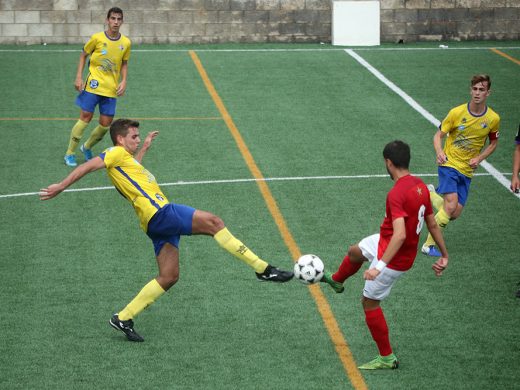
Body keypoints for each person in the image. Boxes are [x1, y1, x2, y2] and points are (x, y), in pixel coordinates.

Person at [42, 119, 294, 342]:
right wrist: (61, 186)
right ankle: (264, 269)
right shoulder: (114, 152)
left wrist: (144, 148)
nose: (137, 139)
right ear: (120, 139)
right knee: (214, 222)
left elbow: (134, 171)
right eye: (134, 136)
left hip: (154, 223)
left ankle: (123, 317)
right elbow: (88, 166)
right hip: (161, 213)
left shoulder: (125, 160)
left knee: (169, 276)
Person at [320, 140, 449, 370]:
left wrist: (378, 267)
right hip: (385, 240)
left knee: (369, 303)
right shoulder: (420, 185)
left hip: (394, 257)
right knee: (355, 251)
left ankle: (386, 357)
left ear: (388, 163)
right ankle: (337, 281)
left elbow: (400, 235)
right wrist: (445, 255)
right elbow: (432, 222)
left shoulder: (396, 194)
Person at [421, 74, 500, 256]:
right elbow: (437, 136)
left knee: (454, 212)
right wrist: (440, 152)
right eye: (475, 89)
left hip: (467, 170)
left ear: (488, 92)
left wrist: (479, 158)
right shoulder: (456, 113)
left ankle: (429, 194)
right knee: (450, 206)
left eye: (481, 90)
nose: (477, 93)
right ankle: (428, 245)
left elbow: (494, 143)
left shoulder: (493, 118)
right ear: (470, 90)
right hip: (449, 164)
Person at [64, 7, 131, 167]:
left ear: (122, 21)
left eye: (118, 19)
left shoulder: (126, 43)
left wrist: (124, 81)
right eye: (113, 19)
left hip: (111, 89)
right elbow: (83, 55)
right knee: (85, 117)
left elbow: (124, 63)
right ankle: (70, 153)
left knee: (105, 124)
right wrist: (79, 76)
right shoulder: (97, 38)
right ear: (107, 20)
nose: (115, 22)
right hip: (93, 85)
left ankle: (86, 147)